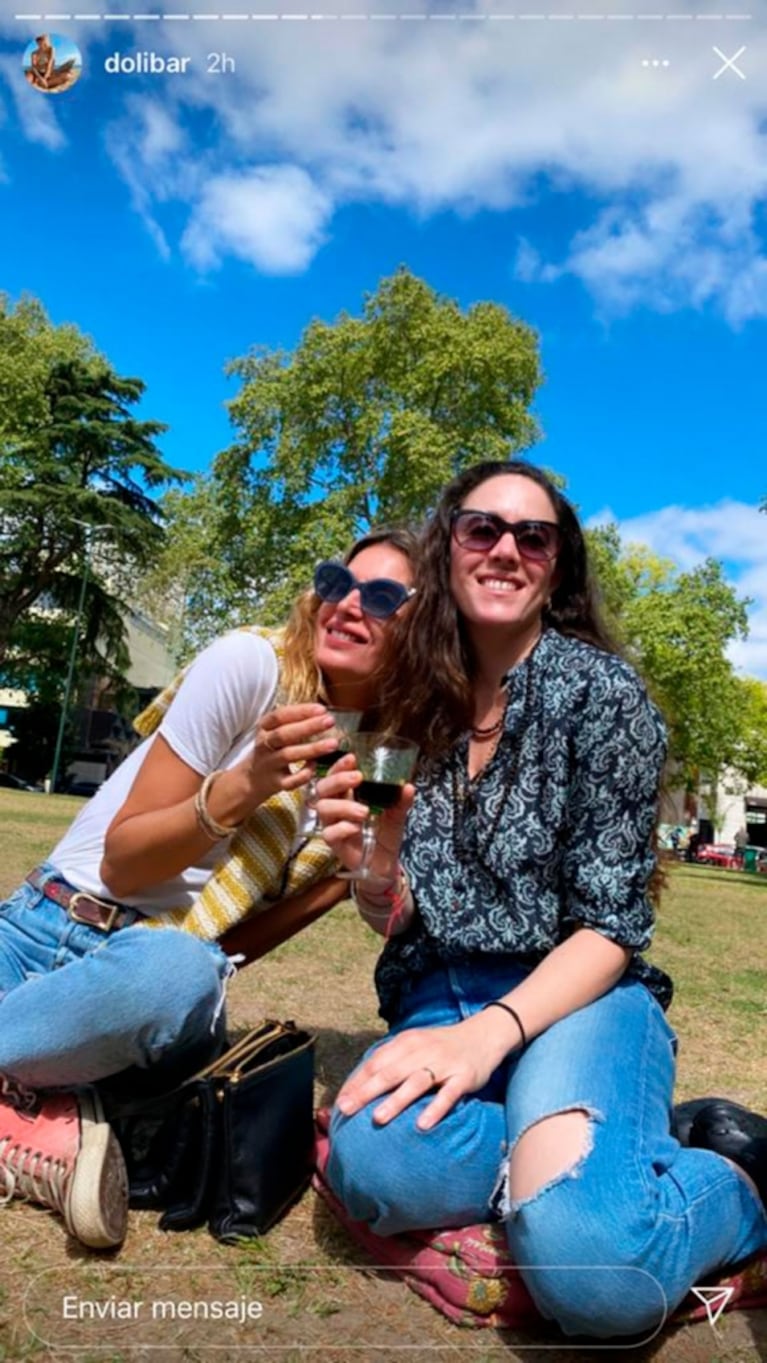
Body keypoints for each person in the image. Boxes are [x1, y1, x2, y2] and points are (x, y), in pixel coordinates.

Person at [317, 461, 767, 1340]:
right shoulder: (415, 701)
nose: (505, 549)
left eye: (534, 535)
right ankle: (606, 1147)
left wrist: (486, 1035)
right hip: (440, 992)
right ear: (448, 549)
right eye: (481, 528)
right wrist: (373, 868)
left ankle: (738, 1187)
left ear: (556, 568)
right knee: (374, 1167)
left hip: (579, 999)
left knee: (593, 1273)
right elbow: (403, 914)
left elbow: (610, 926)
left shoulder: (603, 697)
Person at [0, 526, 417, 1251]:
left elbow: (233, 948)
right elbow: (128, 863)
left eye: (382, 597)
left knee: (184, 970)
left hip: (148, 984)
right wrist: (246, 784)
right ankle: (44, 1111)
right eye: (335, 581)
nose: (347, 605)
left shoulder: (379, 767)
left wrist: (359, 866)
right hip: (48, 929)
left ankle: (47, 1092)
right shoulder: (250, 665)